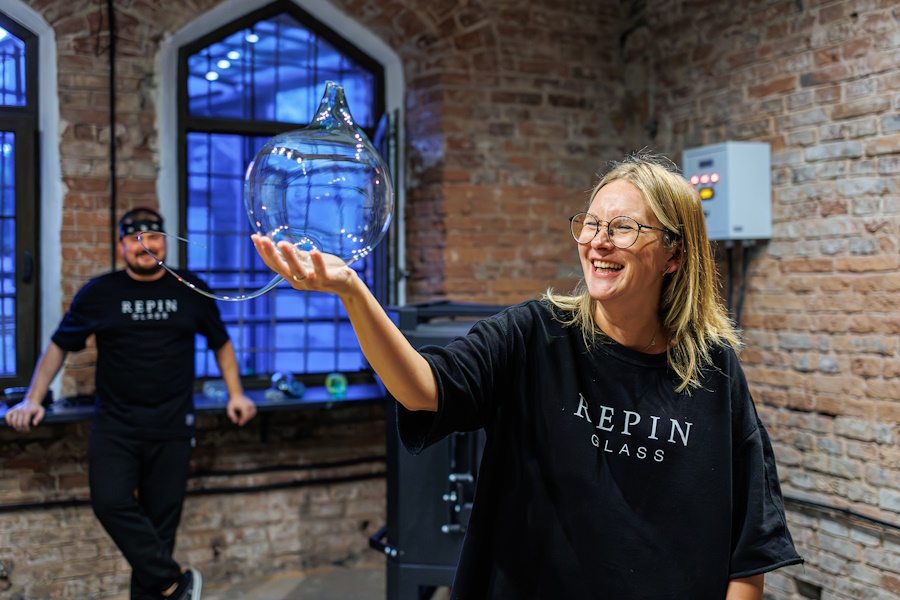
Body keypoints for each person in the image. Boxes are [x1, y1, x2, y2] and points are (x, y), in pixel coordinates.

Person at [251, 152, 802, 599]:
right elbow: (422, 389)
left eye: (624, 228)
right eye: (591, 224)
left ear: (673, 255)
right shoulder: (535, 335)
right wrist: (353, 291)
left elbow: (749, 547)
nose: (598, 241)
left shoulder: (713, 372)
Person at [6, 207, 257, 600]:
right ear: (121, 245)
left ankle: (168, 588)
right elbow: (58, 345)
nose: (146, 246)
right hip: (116, 425)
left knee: (159, 530)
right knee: (110, 502)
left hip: (173, 425)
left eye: (153, 237)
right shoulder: (100, 293)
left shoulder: (191, 288)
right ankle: (175, 582)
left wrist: (236, 393)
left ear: (165, 242)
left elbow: (221, 343)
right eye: (136, 239)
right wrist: (33, 399)